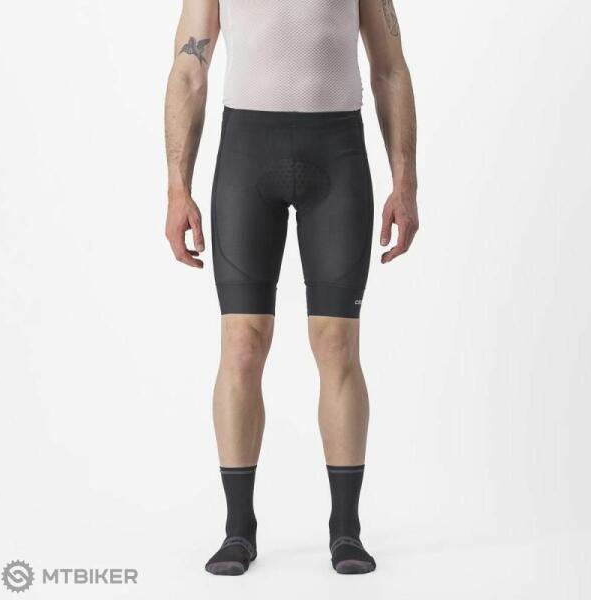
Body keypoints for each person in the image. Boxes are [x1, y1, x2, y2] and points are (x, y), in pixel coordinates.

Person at [164, 0, 418, 576]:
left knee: (337, 345)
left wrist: (406, 183)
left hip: (338, 153)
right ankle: (238, 529)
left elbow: (389, 66)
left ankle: (346, 530)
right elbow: (189, 68)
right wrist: (178, 189)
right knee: (242, 346)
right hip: (246, 156)